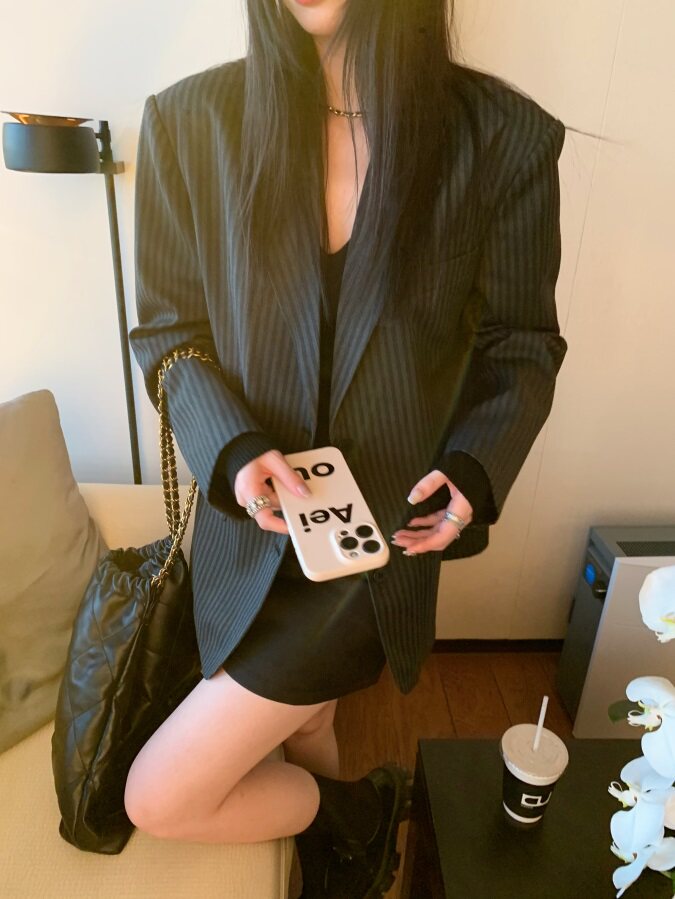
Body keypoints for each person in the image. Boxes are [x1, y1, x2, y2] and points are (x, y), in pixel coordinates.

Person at [125, 0, 568, 896]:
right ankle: (346, 840)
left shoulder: (501, 137)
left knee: (156, 796)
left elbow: (520, 344)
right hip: (251, 532)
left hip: (374, 554)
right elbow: (169, 333)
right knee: (305, 725)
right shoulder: (189, 121)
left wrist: (474, 469)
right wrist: (233, 448)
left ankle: (355, 817)